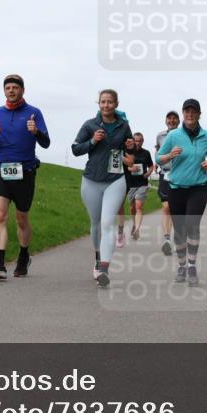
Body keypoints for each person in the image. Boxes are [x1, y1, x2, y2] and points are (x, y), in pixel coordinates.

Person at [0, 75, 50, 279]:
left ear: (22, 90)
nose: (11, 90)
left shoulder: (33, 113)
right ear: (4, 91)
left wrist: (36, 131)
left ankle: (23, 256)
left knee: (21, 219)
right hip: (2, 168)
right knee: (0, 215)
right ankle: (0, 264)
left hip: (25, 171)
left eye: (15, 87)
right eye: (8, 88)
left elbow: (46, 143)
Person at [72, 89, 134, 287]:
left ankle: (104, 269)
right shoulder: (90, 125)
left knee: (108, 223)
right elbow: (75, 149)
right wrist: (92, 141)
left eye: (110, 102)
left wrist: (130, 145)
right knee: (96, 223)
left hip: (115, 180)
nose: (106, 105)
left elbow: (130, 150)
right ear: (98, 104)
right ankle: (98, 258)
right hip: (91, 180)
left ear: (116, 104)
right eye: (103, 102)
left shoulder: (123, 126)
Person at [156, 99, 207, 286]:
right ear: (183, 113)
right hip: (176, 188)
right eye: (187, 111)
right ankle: (181, 266)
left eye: (194, 111)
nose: (190, 114)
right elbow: (158, 158)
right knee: (180, 230)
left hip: (198, 187)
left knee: (192, 224)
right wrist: (169, 155)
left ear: (199, 114)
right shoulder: (174, 136)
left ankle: (191, 266)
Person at [117, 132, 154, 241]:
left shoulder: (146, 153)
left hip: (142, 183)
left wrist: (148, 173)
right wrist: (130, 168)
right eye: (136, 141)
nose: (138, 143)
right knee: (132, 208)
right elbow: (123, 166)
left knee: (139, 206)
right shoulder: (127, 152)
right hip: (130, 184)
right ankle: (135, 224)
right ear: (132, 141)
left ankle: (137, 229)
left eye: (140, 141)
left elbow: (151, 166)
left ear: (142, 141)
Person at [154, 110, 180, 255]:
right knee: (166, 207)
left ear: (178, 121)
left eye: (174, 118)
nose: (172, 120)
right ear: (166, 121)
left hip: (180, 175)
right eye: (169, 118)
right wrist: (156, 162)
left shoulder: (183, 135)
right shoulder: (160, 136)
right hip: (165, 173)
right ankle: (166, 239)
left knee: (177, 209)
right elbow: (158, 151)